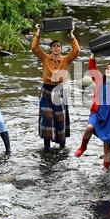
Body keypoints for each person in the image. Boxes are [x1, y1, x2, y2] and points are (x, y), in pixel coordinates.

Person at [74, 41, 110, 169]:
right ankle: (83, 147)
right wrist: (93, 53)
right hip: (98, 112)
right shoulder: (99, 80)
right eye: (107, 68)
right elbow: (92, 68)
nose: (109, 69)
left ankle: (106, 168)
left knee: (107, 147)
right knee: (89, 127)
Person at [32, 23, 80, 151]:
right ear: (50, 49)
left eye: (58, 46)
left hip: (59, 91)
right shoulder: (45, 58)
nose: (56, 48)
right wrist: (38, 34)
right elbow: (35, 49)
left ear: (61, 49)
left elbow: (76, 51)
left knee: (60, 118)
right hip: (46, 90)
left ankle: (62, 145)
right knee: (47, 118)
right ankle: (46, 147)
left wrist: (71, 35)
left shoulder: (65, 59)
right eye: (54, 46)